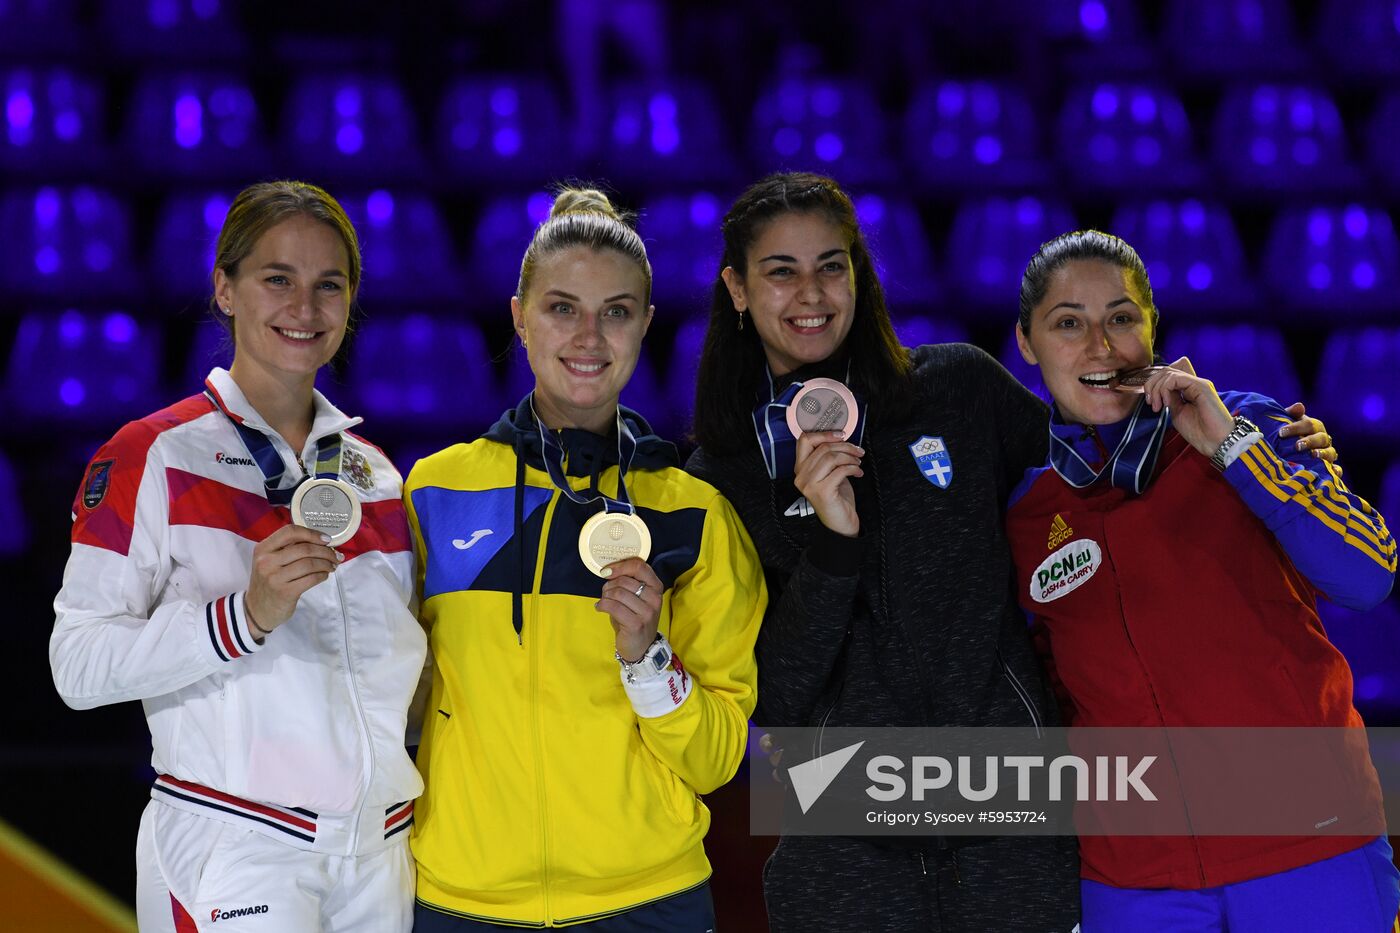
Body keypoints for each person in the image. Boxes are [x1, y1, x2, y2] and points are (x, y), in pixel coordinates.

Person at [684, 172, 1335, 931]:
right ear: (736, 288)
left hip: (1015, 841)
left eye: (832, 265)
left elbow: (1106, 462)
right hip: (843, 859)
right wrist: (833, 544)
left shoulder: (958, 388)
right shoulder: (721, 475)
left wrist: (1259, 445)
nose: (812, 293)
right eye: (780, 271)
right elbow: (773, 696)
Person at [50, 180, 427, 933]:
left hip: (381, 856)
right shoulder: (153, 454)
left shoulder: (377, 477)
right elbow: (77, 667)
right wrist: (242, 618)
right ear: (225, 289)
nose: (305, 307)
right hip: (239, 844)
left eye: (329, 285)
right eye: (277, 279)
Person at [1007, 229, 1399, 930]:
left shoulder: (1244, 427)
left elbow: (1368, 576)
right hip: (1132, 879)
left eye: (1121, 317)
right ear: (1027, 342)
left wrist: (1233, 449)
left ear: (1152, 327)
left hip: (1311, 842)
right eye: (1067, 323)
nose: (1100, 345)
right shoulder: (1027, 512)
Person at [405, 188, 765, 931]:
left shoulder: (693, 515)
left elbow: (715, 761)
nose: (589, 337)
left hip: (646, 900)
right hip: (463, 900)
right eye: (562, 308)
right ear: (519, 317)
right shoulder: (435, 492)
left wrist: (648, 659)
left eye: (617, 312)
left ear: (646, 324)